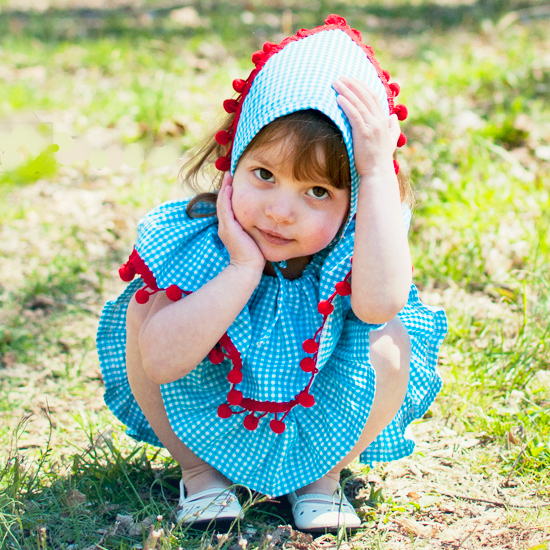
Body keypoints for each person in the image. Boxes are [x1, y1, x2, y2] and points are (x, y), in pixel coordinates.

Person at [97, 14, 447, 532]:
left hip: (322, 408)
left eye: (318, 192)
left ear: (354, 203)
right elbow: (162, 362)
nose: (281, 212)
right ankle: (201, 475)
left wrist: (375, 170)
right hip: (209, 409)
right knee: (146, 306)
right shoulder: (200, 240)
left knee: (389, 339)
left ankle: (322, 480)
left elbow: (380, 305)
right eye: (264, 175)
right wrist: (242, 268)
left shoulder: (359, 243)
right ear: (233, 160)